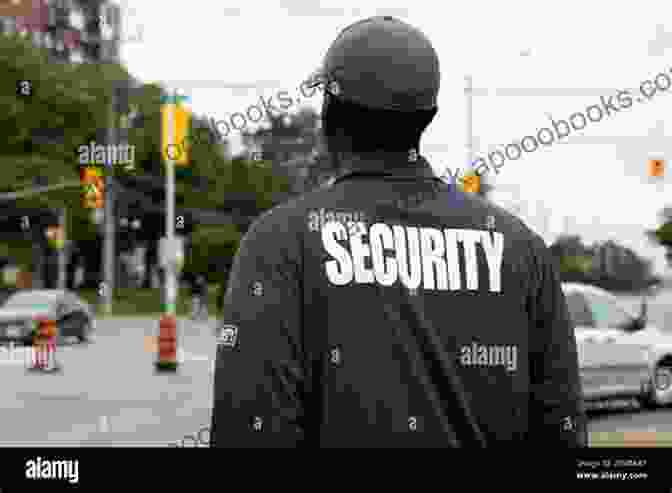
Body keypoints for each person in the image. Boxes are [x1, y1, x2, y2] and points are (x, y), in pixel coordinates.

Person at [211, 16, 587, 447]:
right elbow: (564, 435)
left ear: (329, 115)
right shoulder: (522, 250)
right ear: (428, 118)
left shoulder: (279, 242)